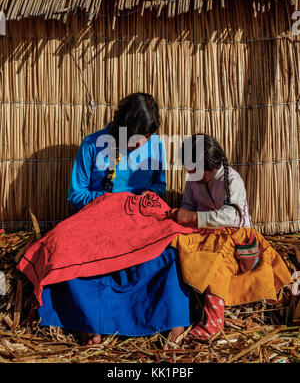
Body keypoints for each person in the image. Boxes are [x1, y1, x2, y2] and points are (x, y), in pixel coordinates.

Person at [37, 93, 190, 345]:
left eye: (147, 138)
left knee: (172, 255)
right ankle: (91, 322)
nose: (142, 145)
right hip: (98, 223)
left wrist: (144, 200)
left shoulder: (156, 145)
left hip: (139, 223)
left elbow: (158, 186)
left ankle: (172, 321)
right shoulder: (91, 145)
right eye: (136, 139)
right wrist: (113, 201)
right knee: (67, 255)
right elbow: (77, 195)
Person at [167, 134, 292, 341]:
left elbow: (231, 215)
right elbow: (189, 204)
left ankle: (213, 322)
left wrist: (194, 217)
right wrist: (181, 215)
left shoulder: (229, 179)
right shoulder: (194, 179)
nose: (189, 174)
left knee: (214, 263)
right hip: (206, 234)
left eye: (194, 169)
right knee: (178, 247)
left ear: (211, 167)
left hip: (235, 236)